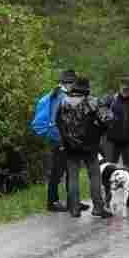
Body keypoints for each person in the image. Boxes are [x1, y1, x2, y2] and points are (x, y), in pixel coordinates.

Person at [55, 73, 110, 218]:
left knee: (73, 177)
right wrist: (100, 131)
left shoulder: (63, 102)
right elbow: (107, 120)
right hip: (90, 146)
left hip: (70, 146)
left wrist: (65, 139)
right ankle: (98, 207)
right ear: (87, 87)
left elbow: (58, 122)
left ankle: (74, 209)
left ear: (74, 86)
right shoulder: (93, 101)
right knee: (94, 175)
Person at [43, 70, 75, 212]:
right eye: (73, 83)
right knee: (57, 171)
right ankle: (52, 202)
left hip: (62, 139)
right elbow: (55, 121)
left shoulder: (60, 94)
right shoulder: (60, 96)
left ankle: (72, 201)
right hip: (59, 140)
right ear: (69, 83)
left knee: (68, 170)